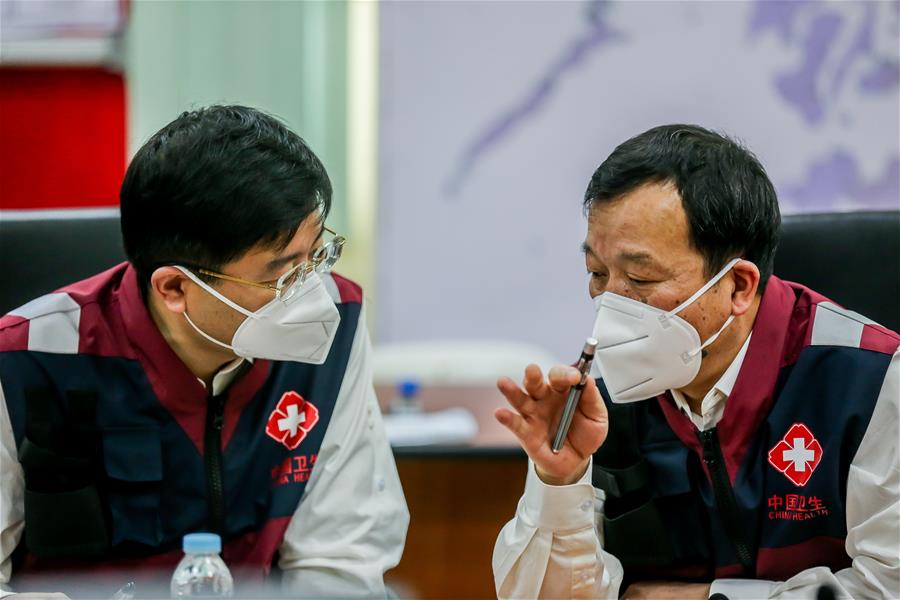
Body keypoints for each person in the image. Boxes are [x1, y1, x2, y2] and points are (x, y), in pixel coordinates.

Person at [0, 105, 408, 598]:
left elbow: (343, 557)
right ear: (174, 288)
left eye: (316, 255)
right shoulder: (25, 359)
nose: (313, 292)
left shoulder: (334, 326)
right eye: (281, 273)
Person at [492, 124, 899, 599]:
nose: (611, 306)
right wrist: (559, 481)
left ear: (739, 287)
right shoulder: (601, 403)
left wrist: (707, 598)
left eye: (641, 279)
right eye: (597, 274)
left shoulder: (870, 381)